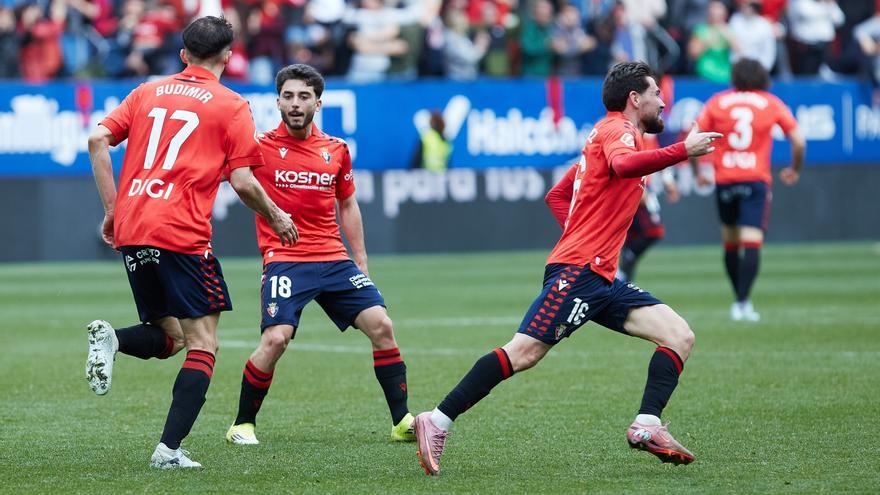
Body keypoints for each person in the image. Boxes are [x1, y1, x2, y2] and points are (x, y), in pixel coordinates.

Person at [413, 61, 722, 476]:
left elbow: (557, 196)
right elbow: (624, 166)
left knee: (678, 334)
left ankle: (646, 425)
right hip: (579, 272)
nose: (663, 101)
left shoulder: (606, 134)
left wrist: (586, 232)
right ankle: (436, 419)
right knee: (523, 352)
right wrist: (684, 149)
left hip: (600, 277)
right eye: (656, 94)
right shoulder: (619, 132)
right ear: (635, 99)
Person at [85, 16, 297, 469]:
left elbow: (97, 138)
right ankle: (168, 450)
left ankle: (114, 342)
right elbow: (242, 182)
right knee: (204, 343)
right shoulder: (232, 104)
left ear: (183, 54)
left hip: (133, 226)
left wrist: (111, 209)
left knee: (172, 336)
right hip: (180, 231)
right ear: (228, 56)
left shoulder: (147, 92)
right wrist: (276, 215)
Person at [225, 64, 415, 446]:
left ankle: (401, 421)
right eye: (289, 96)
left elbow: (348, 205)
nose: (296, 104)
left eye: (304, 96)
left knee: (382, 326)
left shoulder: (336, 150)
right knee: (276, 339)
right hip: (285, 259)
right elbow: (237, 182)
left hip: (333, 259)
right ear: (277, 101)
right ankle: (242, 424)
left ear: (318, 102)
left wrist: (359, 259)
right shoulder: (258, 147)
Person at [690, 58, 806, 321]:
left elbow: (693, 138)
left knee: (731, 243)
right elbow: (798, 141)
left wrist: (699, 174)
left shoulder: (717, 102)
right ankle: (743, 303)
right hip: (755, 180)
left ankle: (738, 299)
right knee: (752, 242)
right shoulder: (771, 102)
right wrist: (795, 169)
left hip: (725, 180)